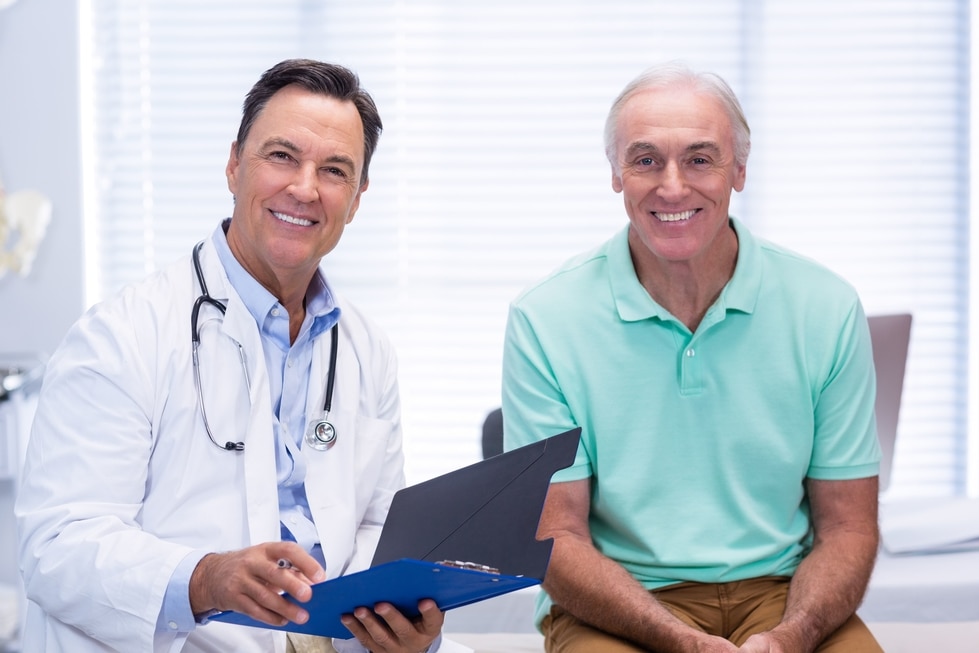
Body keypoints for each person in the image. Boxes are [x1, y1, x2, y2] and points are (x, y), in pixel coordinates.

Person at [16, 59, 463, 653]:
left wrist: (404, 630)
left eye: (334, 170)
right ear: (233, 165)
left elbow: (376, 525)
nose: (305, 188)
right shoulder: (122, 334)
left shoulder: (367, 349)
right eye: (281, 156)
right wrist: (206, 578)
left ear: (356, 199)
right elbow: (57, 545)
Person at [501, 61, 883, 653]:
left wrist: (791, 636)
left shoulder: (826, 307)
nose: (673, 186)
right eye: (646, 159)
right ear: (615, 174)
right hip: (620, 602)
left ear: (740, 169)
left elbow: (848, 526)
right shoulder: (544, 319)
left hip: (782, 594)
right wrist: (678, 640)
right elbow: (555, 536)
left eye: (700, 158)